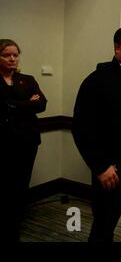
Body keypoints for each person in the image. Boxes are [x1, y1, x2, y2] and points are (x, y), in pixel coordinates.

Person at [72, 26, 121, 242]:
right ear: (117, 48)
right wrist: (99, 166)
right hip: (112, 170)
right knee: (104, 226)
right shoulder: (97, 80)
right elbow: (81, 128)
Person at [0, 39, 47, 242]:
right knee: (5, 184)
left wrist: (17, 106)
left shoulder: (27, 79)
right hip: (4, 142)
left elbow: (42, 104)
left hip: (28, 141)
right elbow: (4, 107)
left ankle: (15, 223)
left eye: (15, 55)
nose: (12, 58)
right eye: (6, 55)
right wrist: (28, 103)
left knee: (21, 183)